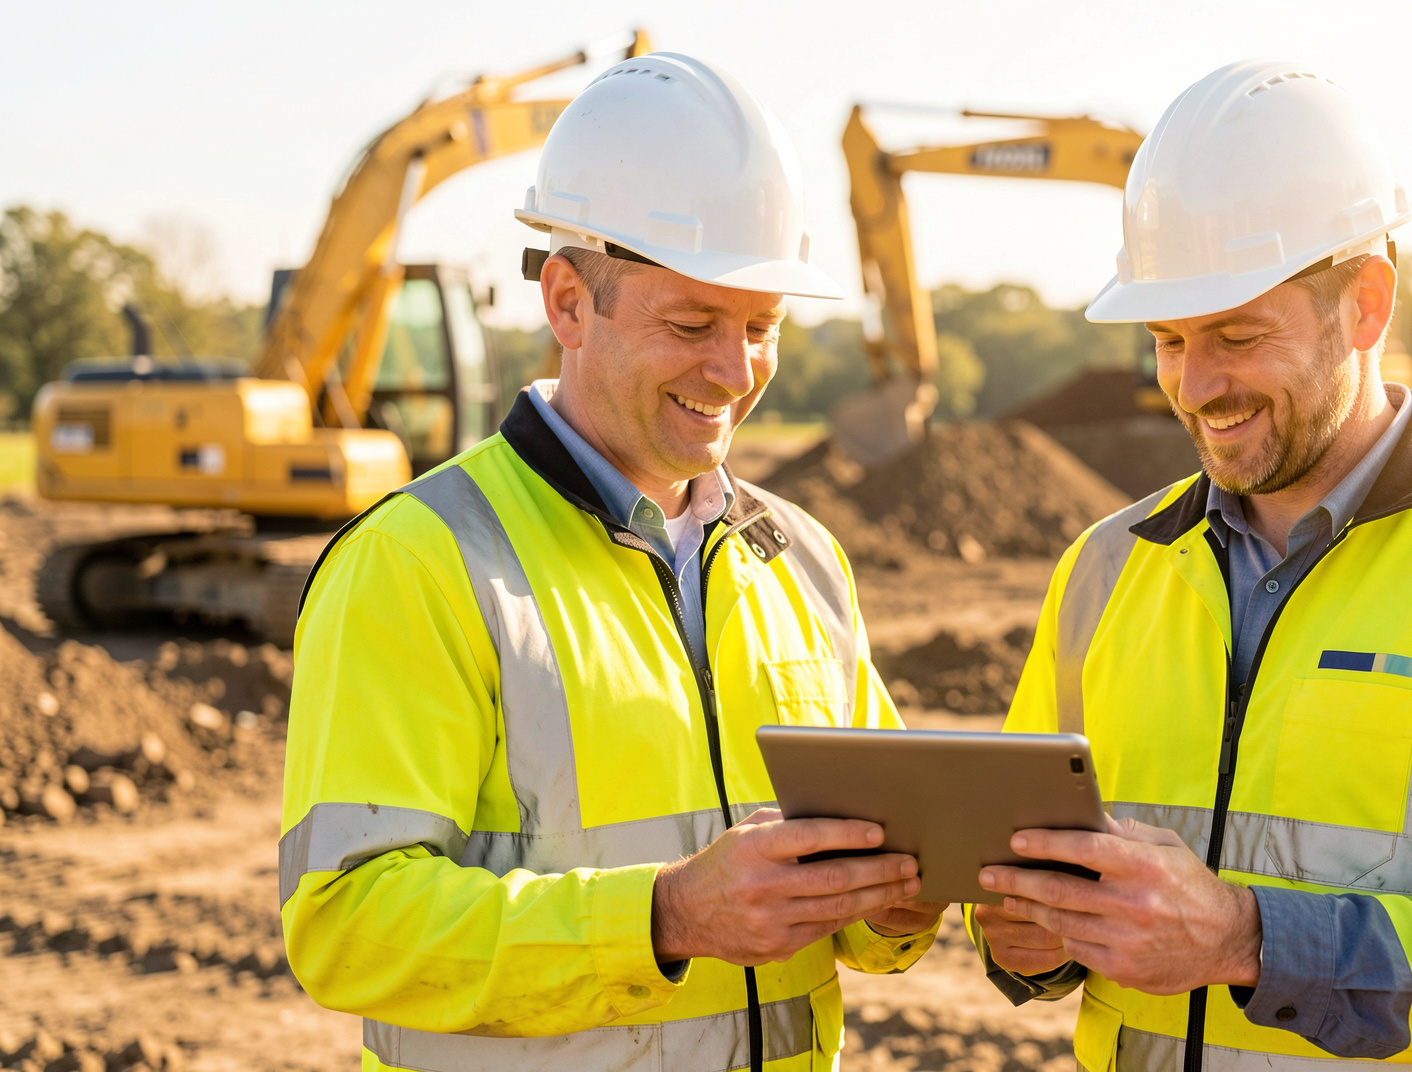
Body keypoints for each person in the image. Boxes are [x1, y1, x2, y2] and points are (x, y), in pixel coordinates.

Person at [969, 59, 1412, 1071]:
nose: (1197, 385)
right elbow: (1035, 871)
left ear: (1366, 307)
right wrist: (1030, 940)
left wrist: (1250, 938)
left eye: (1238, 334)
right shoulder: (1103, 568)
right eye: (1168, 340)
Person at [279, 53, 945, 1072]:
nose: (733, 372)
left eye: (761, 327)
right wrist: (665, 916)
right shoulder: (419, 561)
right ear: (567, 302)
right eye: (692, 325)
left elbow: (863, 922)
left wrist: (901, 900)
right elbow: (348, 923)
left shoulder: (801, 560)